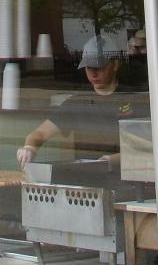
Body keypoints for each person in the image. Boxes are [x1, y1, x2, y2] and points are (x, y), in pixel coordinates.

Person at [16, 35, 148, 170]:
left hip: (127, 178)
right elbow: (40, 133)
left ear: (115, 65)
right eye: (89, 67)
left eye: (99, 66)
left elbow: (147, 148)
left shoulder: (134, 99)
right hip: (86, 178)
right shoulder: (78, 101)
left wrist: (111, 160)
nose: (94, 74)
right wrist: (30, 147)